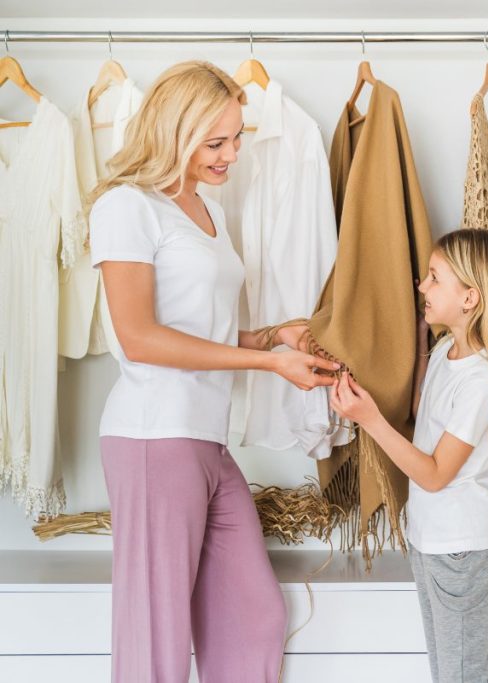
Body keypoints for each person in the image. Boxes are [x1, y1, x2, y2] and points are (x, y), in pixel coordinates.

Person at [87, 60, 334, 682]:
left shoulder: (208, 212)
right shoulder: (127, 206)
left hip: (203, 437)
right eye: (215, 141)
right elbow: (140, 338)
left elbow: (203, 333)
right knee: (155, 639)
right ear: (174, 132)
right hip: (152, 437)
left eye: (238, 136)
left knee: (253, 613)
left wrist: (271, 337)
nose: (233, 153)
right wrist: (266, 361)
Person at [330, 228, 488, 682]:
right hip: (432, 539)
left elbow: (434, 474)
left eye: (433, 278)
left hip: (461, 548)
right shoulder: (449, 349)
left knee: (460, 675)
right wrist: (422, 334)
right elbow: (420, 410)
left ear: (470, 298)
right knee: (447, 671)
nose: (421, 285)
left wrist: (368, 419)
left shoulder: (480, 382)